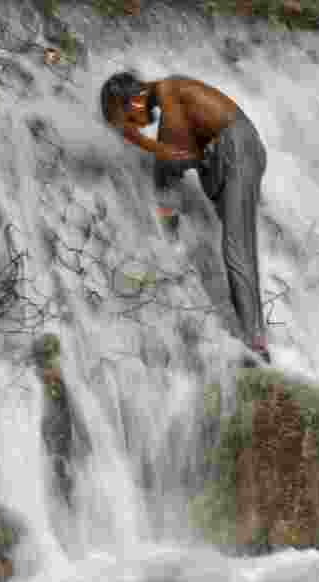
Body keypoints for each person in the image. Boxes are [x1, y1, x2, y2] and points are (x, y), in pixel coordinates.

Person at [100, 71, 271, 365]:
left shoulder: (169, 93)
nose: (129, 129)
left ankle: (256, 346)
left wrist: (167, 222)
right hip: (226, 152)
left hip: (235, 149)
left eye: (125, 119)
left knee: (237, 253)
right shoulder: (169, 96)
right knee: (237, 250)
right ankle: (252, 335)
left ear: (135, 102)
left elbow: (173, 155)